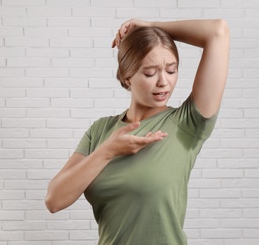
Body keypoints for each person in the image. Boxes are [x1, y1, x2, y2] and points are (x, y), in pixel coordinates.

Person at [45, 19, 230, 244]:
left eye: (171, 70)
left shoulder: (187, 123)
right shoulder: (101, 130)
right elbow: (54, 200)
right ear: (127, 77)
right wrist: (108, 151)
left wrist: (150, 26)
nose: (164, 82)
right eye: (151, 73)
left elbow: (218, 31)